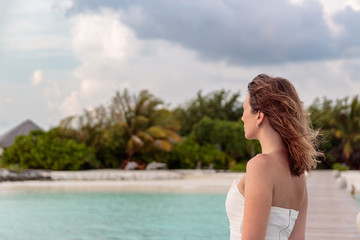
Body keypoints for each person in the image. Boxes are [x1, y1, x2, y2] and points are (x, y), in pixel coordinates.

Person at [225, 74, 322, 240]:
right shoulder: (298, 175)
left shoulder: (260, 166)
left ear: (259, 116)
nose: (242, 118)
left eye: (244, 110)